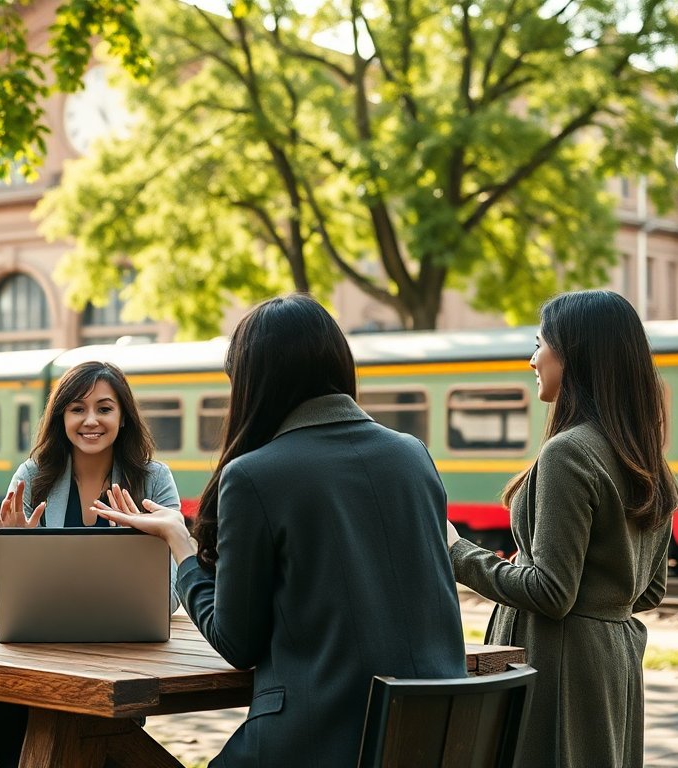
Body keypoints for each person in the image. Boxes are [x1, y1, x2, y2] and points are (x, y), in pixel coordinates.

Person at [96, 293, 466, 766]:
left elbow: (237, 642)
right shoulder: (412, 455)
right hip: (430, 739)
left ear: (254, 382)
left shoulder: (255, 475)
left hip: (319, 739)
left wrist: (179, 543)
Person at [446, 289, 676, 768]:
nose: (533, 358)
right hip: (613, 666)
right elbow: (650, 591)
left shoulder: (568, 453)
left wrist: (455, 552)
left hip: (555, 667)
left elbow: (551, 591)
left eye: (539, 343)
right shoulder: (645, 459)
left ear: (572, 354)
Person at [0, 360, 180, 767]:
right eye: (77, 408)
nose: (91, 420)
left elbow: (168, 600)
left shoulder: (154, 480)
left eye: (104, 408)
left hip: (118, 660)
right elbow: (2, 596)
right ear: (61, 415)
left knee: (99, 746)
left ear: (124, 417)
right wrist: (14, 548)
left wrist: (143, 550)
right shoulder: (32, 475)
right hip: (33, 654)